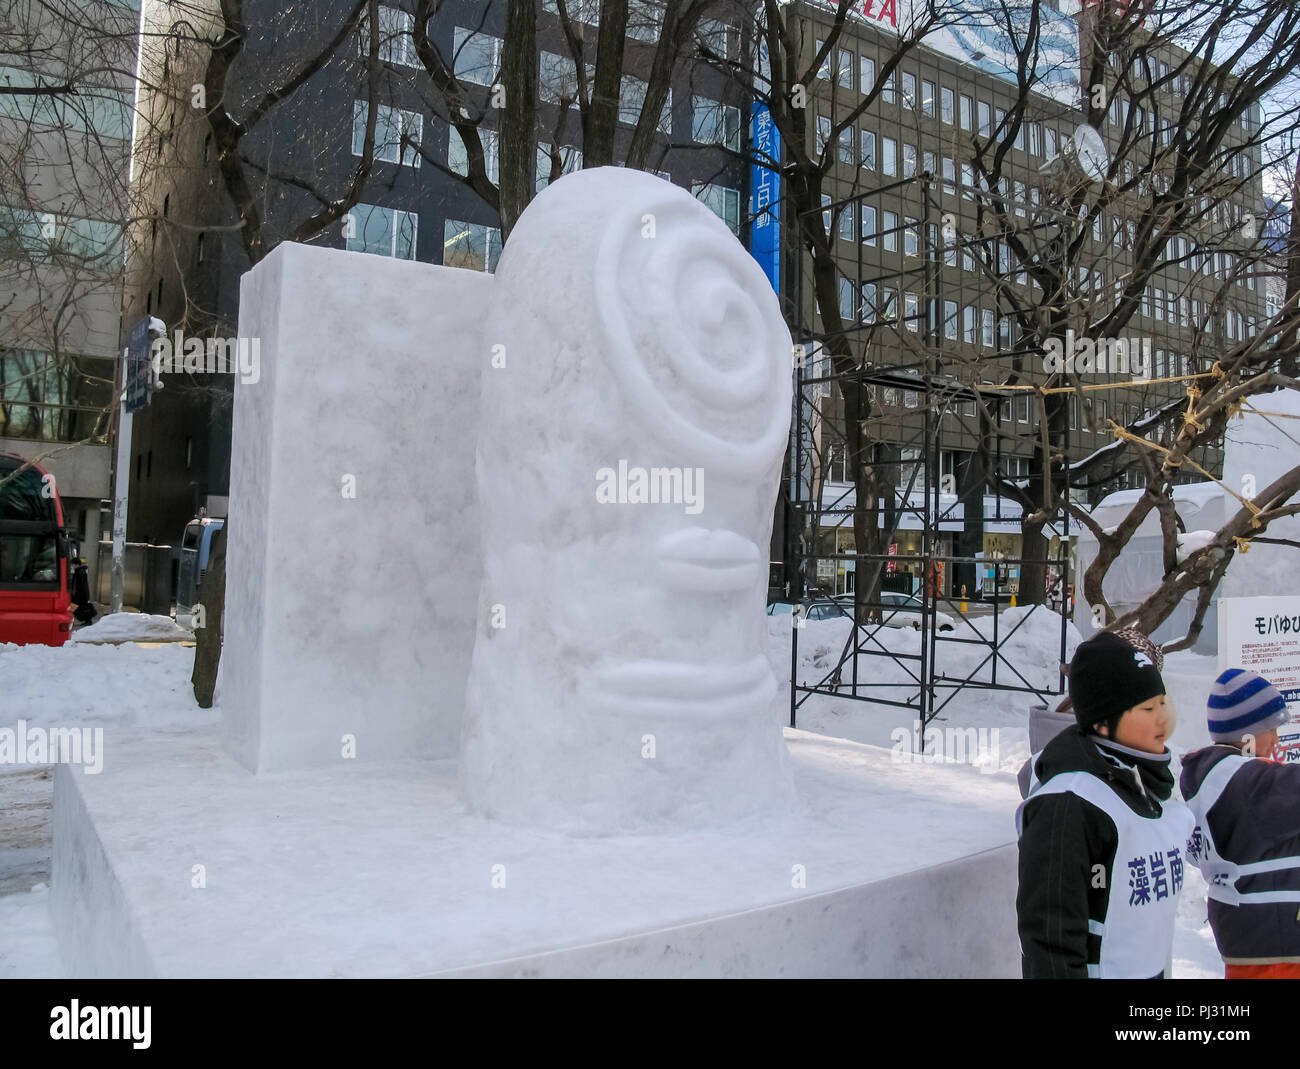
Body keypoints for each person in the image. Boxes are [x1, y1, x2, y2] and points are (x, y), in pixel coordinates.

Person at [1016, 630, 1194, 978]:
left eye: (1162, 702)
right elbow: (1051, 940)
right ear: (1102, 722)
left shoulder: (1148, 789)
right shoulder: (1068, 803)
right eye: (1146, 708)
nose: (1162, 719)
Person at [1180, 669, 1300, 978]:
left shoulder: (1212, 780)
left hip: (1254, 938)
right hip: (1275, 946)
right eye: (1270, 728)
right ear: (1246, 735)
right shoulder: (1244, 783)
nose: (1276, 738)